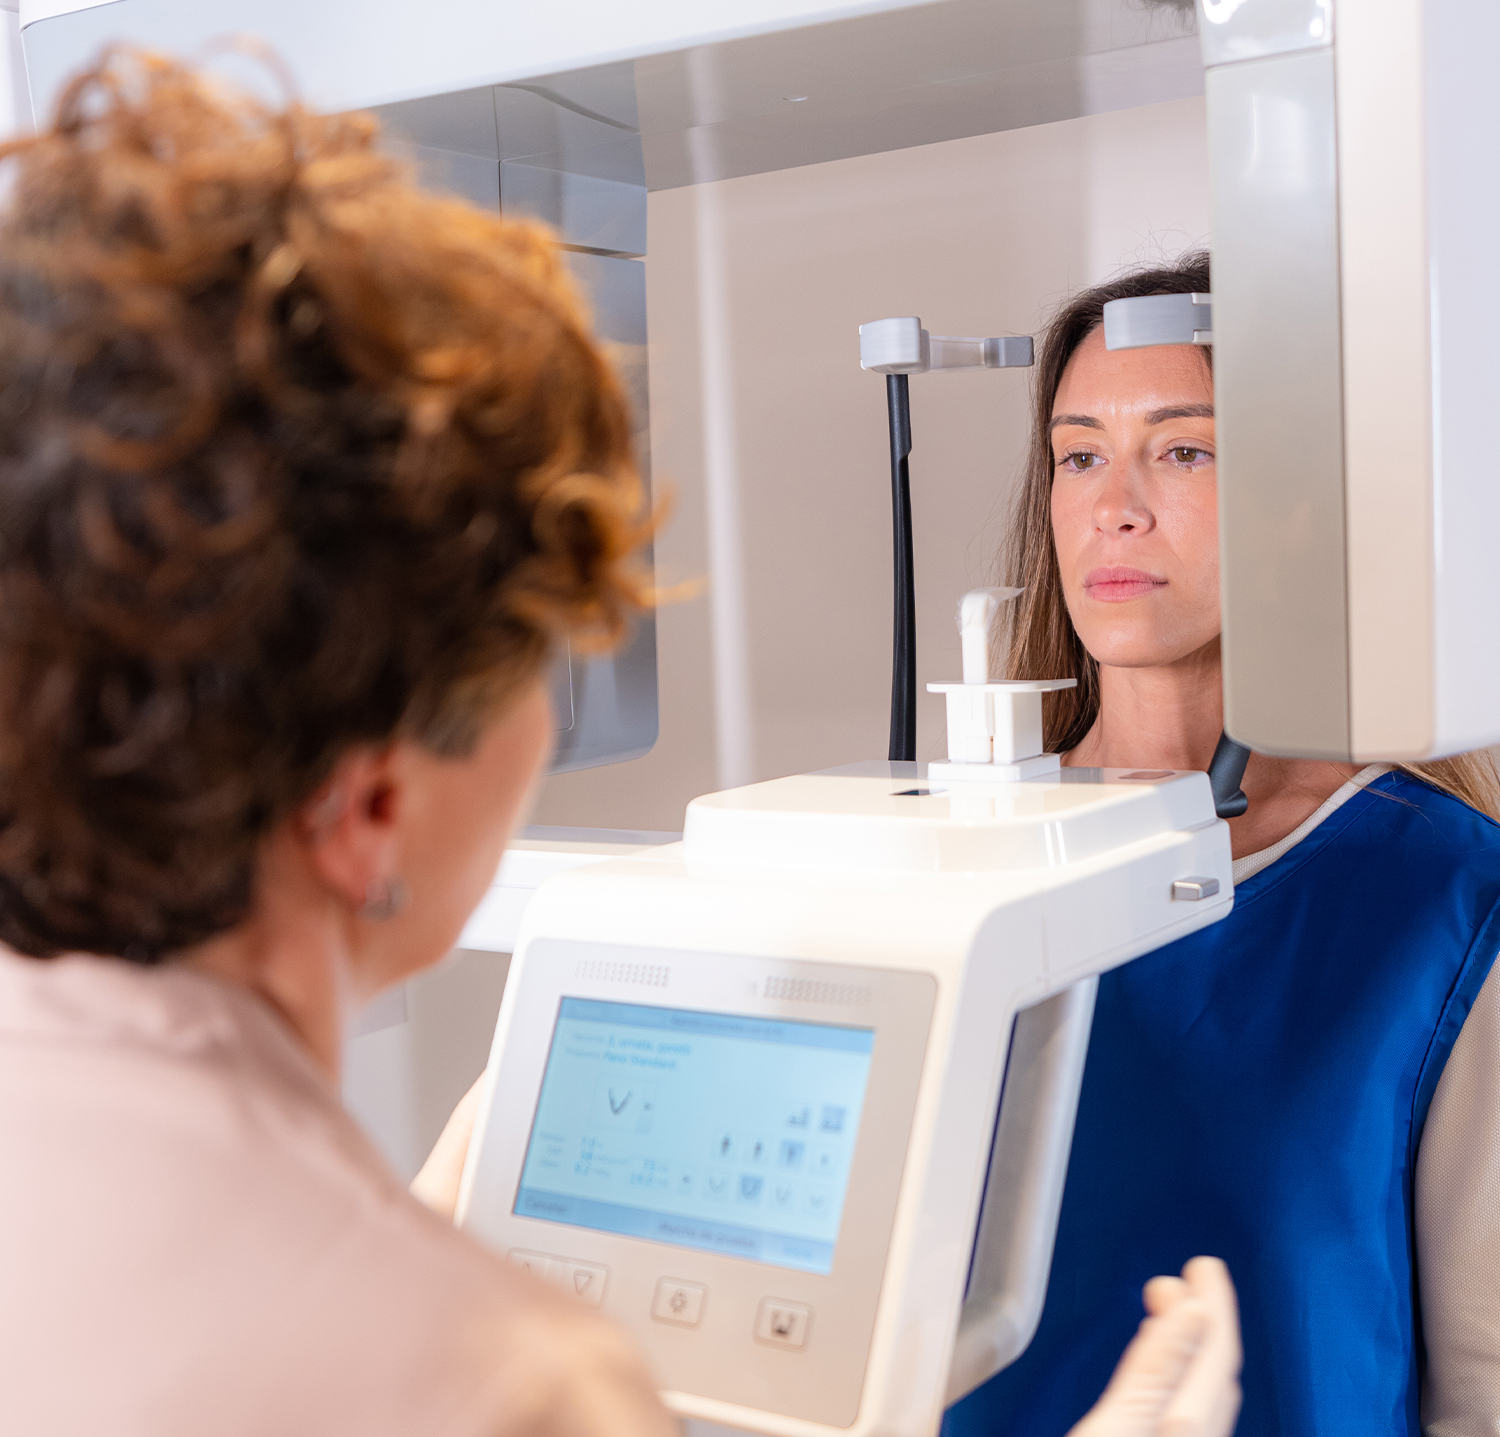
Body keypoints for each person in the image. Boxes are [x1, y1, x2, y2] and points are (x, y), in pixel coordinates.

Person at [0, 50, 1241, 1437]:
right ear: (372, 805)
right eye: (543, 639)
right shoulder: (501, 1382)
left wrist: (401, 1237)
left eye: (1185, 450)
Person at [942, 253, 1500, 1437]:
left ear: (1306, 499)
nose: (1115, 505)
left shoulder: (1440, 896)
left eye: (1184, 450)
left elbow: (1485, 1380)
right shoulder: (928, 861)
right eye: (1080, 456)